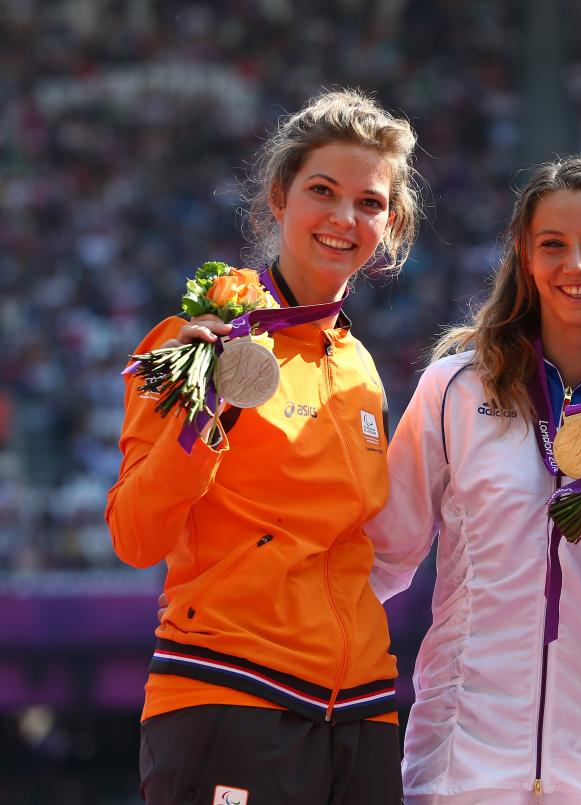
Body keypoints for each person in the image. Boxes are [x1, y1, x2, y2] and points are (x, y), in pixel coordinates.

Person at [106, 88, 419, 804]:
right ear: (278, 198)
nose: (344, 218)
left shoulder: (361, 367)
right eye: (322, 191)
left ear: (390, 224)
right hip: (232, 689)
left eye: (370, 203)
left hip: (362, 706)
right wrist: (208, 411)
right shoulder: (199, 340)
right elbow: (134, 533)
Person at [365, 154, 581, 804]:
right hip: (461, 771)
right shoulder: (454, 390)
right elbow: (380, 559)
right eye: (554, 245)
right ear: (524, 252)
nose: (576, 265)